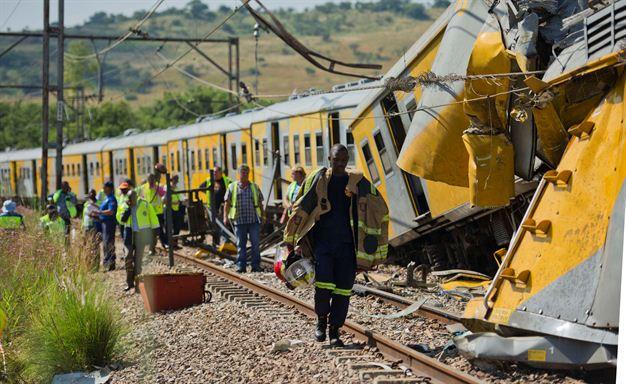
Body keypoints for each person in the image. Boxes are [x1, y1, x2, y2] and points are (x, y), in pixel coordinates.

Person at [283, 144, 389, 347]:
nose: (340, 164)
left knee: (343, 291)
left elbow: (379, 210)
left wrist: (371, 252)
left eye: (344, 160)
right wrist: (291, 238)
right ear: (329, 159)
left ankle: (335, 331)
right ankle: (321, 322)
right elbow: (301, 207)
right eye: (336, 160)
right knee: (323, 287)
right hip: (323, 245)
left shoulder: (359, 183)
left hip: (348, 248)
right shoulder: (319, 180)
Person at [223, 164, 264, 273]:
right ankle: (241, 266)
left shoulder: (254, 187)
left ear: (248, 173)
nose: (244, 174)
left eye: (246, 172)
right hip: (239, 220)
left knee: (255, 244)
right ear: (239, 173)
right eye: (242, 172)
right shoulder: (232, 187)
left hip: (253, 220)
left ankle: (255, 265)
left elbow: (260, 203)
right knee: (241, 245)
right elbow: (227, 203)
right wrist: (225, 217)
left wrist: (262, 216)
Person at [118, 190, 159, 292]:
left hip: (141, 236)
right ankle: (129, 282)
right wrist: (128, 208)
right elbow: (121, 219)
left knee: (138, 261)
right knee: (128, 258)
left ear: (137, 197)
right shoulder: (124, 206)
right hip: (129, 236)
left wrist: (155, 232)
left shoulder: (145, 204)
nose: (132, 200)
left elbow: (153, 218)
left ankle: (137, 285)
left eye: (134, 198)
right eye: (130, 198)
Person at [139, 173, 166, 254]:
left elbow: (164, 195)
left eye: (152, 179)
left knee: (156, 232)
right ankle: (151, 248)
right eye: (149, 179)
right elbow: (140, 198)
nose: (151, 181)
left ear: (154, 179)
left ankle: (153, 247)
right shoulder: (143, 187)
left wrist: (156, 189)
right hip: (148, 213)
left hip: (158, 213)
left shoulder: (158, 187)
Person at [96, 181, 118, 271]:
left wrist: (99, 212)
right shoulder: (107, 198)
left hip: (109, 223)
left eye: (105, 188)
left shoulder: (111, 199)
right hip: (104, 223)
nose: (103, 189)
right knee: (105, 243)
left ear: (109, 188)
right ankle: (107, 262)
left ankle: (110, 263)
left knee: (108, 243)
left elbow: (111, 211)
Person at [82, 190, 102, 269]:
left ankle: (96, 266)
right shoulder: (86, 204)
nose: (91, 194)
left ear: (95, 194)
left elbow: (101, 214)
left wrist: (94, 215)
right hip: (86, 226)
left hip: (95, 226)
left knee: (95, 246)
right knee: (87, 246)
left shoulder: (99, 203)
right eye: (90, 193)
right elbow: (84, 216)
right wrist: (82, 226)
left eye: (93, 193)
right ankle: (89, 265)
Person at [165, 174, 184, 249]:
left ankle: (175, 243)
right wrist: (173, 203)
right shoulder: (167, 187)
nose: (176, 182)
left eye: (177, 180)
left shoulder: (177, 188)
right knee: (169, 227)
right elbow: (165, 200)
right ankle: (169, 243)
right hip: (169, 209)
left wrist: (180, 201)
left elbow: (180, 197)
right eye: (175, 180)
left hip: (176, 209)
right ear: (171, 180)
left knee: (177, 227)